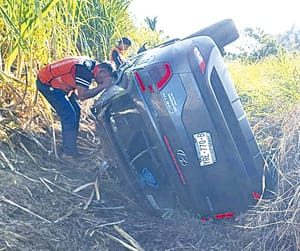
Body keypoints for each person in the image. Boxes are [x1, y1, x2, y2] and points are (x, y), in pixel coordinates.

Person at [36, 57, 117, 164]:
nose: (101, 81)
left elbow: (79, 94)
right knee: (69, 116)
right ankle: (68, 155)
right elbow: (82, 95)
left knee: (76, 111)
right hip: (47, 83)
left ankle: (70, 149)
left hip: (57, 83)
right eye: (104, 79)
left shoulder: (90, 66)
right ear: (102, 71)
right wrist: (102, 86)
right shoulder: (85, 70)